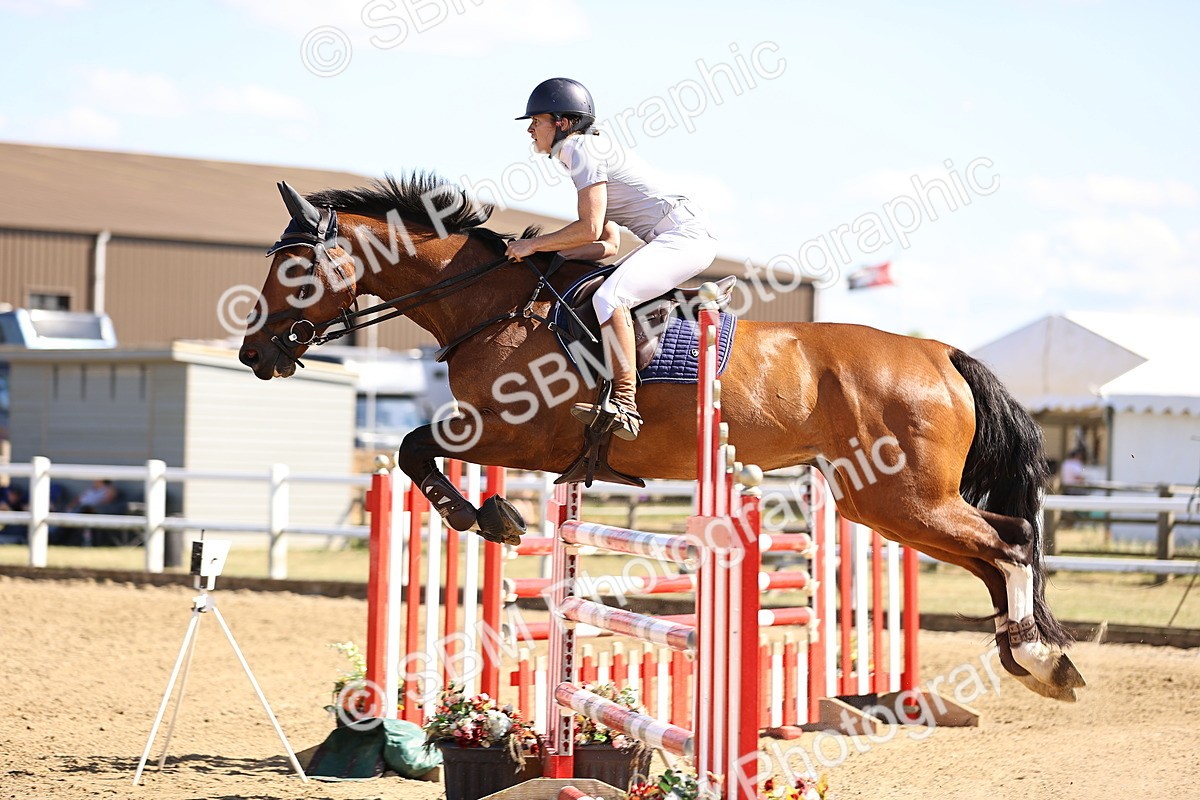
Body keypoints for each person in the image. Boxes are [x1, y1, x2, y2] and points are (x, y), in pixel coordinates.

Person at [506, 78, 718, 441]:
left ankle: (625, 402)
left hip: (685, 236)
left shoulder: (580, 149)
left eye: (536, 121)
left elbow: (588, 229)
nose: (530, 129)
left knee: (610, 298)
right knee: (607, 291)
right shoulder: (585, 150)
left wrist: (532, 245)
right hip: (676, 236)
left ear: (562, 123)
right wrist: (546, 254)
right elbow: (607, 245)